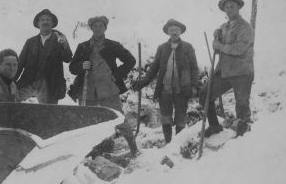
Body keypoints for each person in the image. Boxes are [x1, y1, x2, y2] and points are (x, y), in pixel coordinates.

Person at [68, 16, 138, 157]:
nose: (98, 29)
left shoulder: (112, 45)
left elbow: (130, 60)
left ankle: (134, 149)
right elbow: (72, 68)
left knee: (119, 119)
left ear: (105, 28)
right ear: (91, 28)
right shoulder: (83, 46)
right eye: (95, 26)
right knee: (87, 122)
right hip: (88, 91)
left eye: (101, 26)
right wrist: (81, 65)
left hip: (108, 90)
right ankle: (87, 154)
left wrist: (116, 75)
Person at [132, 19, 199, 143]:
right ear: (168, 32)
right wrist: (143, 82)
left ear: (180, 32)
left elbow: (194, 68)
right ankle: (168, 143)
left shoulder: (188, 47)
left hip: (182, 89)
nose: (174, 32)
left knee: (181, 117)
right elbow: (154, 68)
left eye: (176, 30)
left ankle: (179, 143)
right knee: (166, 117)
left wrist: (194, 85)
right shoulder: (162, 48)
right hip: (165, 89)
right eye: (171, 30)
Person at [200, 0, 255, 138]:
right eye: (226, 7)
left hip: (242, 72)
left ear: (238, 8)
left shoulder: (246, 27)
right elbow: (218, 50)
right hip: (224, 71)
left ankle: (242, 135)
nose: (229, 9)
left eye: (232, 6)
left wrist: (219, 45)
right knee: (205, 94)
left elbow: (238, 49)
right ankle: (214, 126)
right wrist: (216, 39)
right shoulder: (223, 27)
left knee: (241, 105)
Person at [16, 9, 72, 104]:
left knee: (48, 116)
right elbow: (20, 64)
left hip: (51, 88)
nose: (45, 22)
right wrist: (10, 83)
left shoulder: (60, 40)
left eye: (48, 20)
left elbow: (68, 58)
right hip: (28, 86)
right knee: (22, 113)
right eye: (42, 20)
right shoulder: (30, 42)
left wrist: (64, 45)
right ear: (38, 24)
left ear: (52, 23)